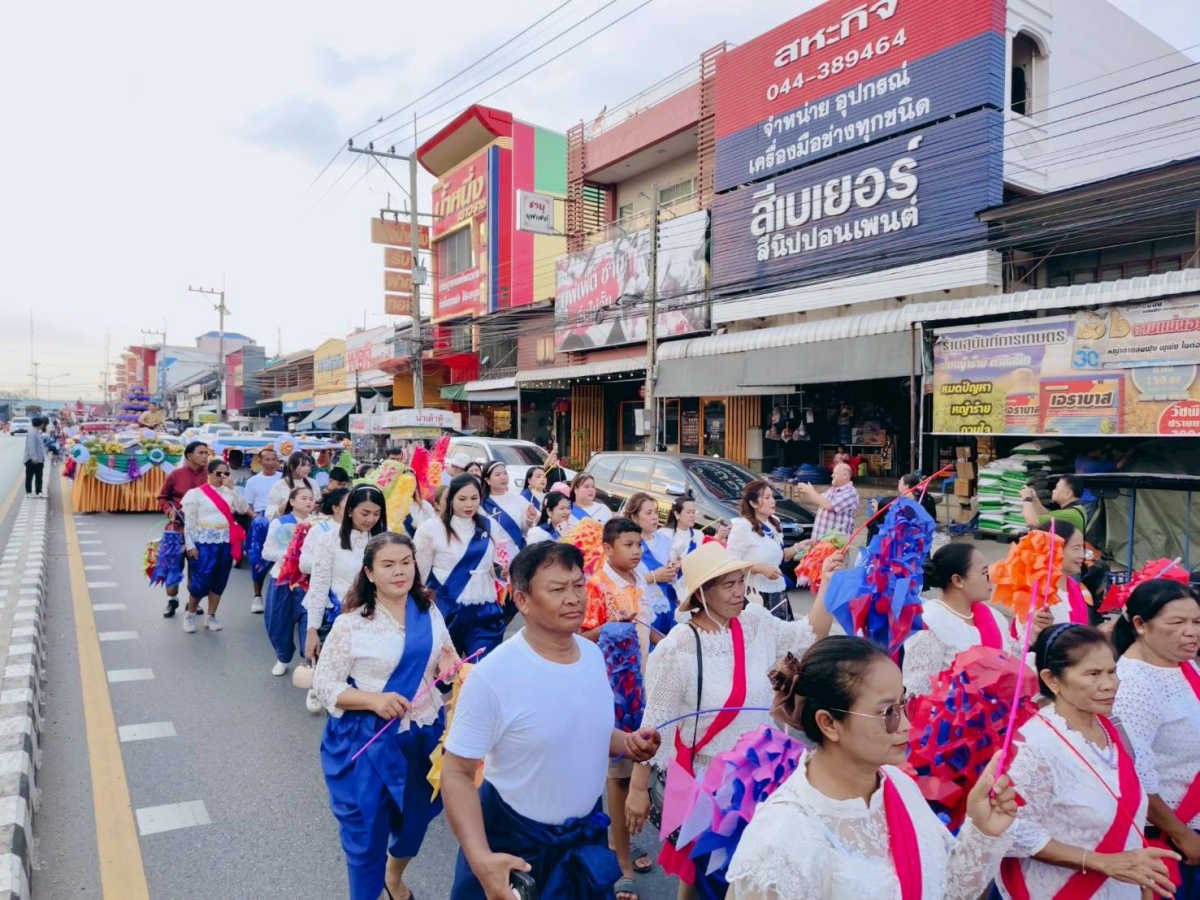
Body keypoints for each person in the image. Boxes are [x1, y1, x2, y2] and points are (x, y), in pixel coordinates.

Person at [440, 541, 662, 900]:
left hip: (583, 839)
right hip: (515, 847)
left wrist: (628, 743)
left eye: (578, 585)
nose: (573, 598)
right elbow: (456, 774)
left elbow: (586, 730)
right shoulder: (493, 676)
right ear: (522, 600)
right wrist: (481, 859)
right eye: (557, 589)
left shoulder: (592, 656)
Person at [726, 637, 1019, 900]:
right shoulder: (784, 837)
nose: (906, 725)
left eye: (903, 705)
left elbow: (943, 887)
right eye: (888, 712)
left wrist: (983, 831)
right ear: (829, 724)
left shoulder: (898, 785)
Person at [629, 541, 842, 897]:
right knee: (706, 876)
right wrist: (637, 791)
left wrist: (828, 584)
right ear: (701, 593)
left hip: (762, 778)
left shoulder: (756, 621)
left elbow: (809, 636)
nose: (739, 591)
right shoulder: (678, 647)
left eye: (741, 581)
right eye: (728, 585)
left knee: (750, 878)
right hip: (709, 785)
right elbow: (656, 726)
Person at [314, 532, 457, 900]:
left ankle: (392, 876)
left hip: (424, 736)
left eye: (406, 562)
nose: (399, 571)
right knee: (366, 836)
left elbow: (446, 660)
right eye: (388, 564)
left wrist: (449, 666)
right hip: (369, 740)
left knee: (416, 822)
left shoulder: (429, 610)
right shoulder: (351, 624)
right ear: (369, 572)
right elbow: (324, 685)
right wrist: (373, 700)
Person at [997, 623, 1178, 899]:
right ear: (1052, 679)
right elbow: (1012, 831)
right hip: (1063, 890)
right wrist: (1100, 861)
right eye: (1093, 674)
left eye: (1111, 671)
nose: (1109, 684)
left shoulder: (1112, 728)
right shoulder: (1033, 746)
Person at [582, 516, 660, 890]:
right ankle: (621, 858)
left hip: (643, 681)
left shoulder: (639, 577)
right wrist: (612, 626)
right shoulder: (597, 585)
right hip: (613, 688)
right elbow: (581, 637)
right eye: (627, 545)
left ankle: (617, 837)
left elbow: (646, 628)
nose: (636, 551)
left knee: (634, 764)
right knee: (619, 770)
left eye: (639, 544)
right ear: (607, 549)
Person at [1112, 579, 1200, 896]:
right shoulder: (1133, 686)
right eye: (1177, 623)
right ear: (1140, 624)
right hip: (1174, 836)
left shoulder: (1183, 666)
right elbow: (1134, 777)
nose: (1191, 632)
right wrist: (1182, 836)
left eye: (1197, 622)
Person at [903, 544, 1013, 696]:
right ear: (958, 580)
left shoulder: (993, 616)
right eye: (984, 573)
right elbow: (918, 690)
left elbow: (1013, 660)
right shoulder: (930, 623)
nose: (991, 579)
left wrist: (1034, 630)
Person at [414, 474, 503, 659]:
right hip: (446, 607)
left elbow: (499, 563)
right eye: (462, 499)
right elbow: (419, 573)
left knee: (481, 665)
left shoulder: (490, 526)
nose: (468, 504)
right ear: (451, 499)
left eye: (474, 498)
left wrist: (502, 570)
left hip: (484, 608)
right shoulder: (431, 528)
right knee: (445, 668)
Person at [302, 485, 386, 662]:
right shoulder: (328, 540)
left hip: (377, 620)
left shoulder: (384, 541)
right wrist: (312, 630)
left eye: (376, 514)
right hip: (337, 616)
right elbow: (319, 586)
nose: (370, 519)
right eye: (365, 513)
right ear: (350, 511)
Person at [180, 459, 250, 633]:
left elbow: (243, 509)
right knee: (200, 580)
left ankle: (211, 615)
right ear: (209, 473)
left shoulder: (229, 492)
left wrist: (233, 489)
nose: (222, 477)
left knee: (220, 579)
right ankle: (190, 614)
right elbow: (189, 522)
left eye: (226, 473)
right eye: (219, 473)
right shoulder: (195, 494)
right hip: (203, 542)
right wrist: (190, 545)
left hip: (224, 541)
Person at [727, 481, 802, 621]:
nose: (773, 501)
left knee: (783, 632)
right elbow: (731, 563)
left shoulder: (774, 521)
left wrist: (799, 547)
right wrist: (760, 569)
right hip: (754, 594)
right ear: (753, 503)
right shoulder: (742, 527)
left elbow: (778, 556)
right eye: (767, 497)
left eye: (772, 496)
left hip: (777, 592)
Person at [262, 485, 316, 676]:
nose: (309, 501)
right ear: (292, 501)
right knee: (278, 620)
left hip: (309, 580)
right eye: (304, 498)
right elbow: (267, 552)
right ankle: (282, 657)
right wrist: (289, 556)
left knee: (309, 621)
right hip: (283, 578)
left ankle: (309, 661)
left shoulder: (318, 524)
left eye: (311, 498)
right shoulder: (280, 523)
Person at [1011, 520, 1091, 648]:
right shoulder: (1034, 592)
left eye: (1082, 548)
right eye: (1076, 548)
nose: (1082, 555)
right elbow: (1022, 646)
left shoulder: (1073, 586)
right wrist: (1038, 631)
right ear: (1054, 550)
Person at [154, 441, 211, 618]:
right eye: (201, 453)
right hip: (177, 530)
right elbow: (162, 497)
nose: (205, 456)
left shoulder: (211, 476)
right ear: (189, 456)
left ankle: (193, 602)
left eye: (206, 453)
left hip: (201, 531)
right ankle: (172, 600)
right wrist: (169, 510)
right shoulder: (176, 475)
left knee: (198, 568)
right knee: (173, 566)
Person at [623, 493, 680, 637]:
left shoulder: (665, 541)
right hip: (641, 607)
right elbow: (622, 580)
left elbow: (671, 576)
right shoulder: (626, 544)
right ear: (634, 517)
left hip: (667, 604)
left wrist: (673, 569)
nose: (654, 517)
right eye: (648, 513)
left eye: (655, 512)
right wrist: (654, 576)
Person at [243, 448, 283, 614]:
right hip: (261, 523)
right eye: (267, 459)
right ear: (260, 461)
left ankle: (280, 599)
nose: (271, 463)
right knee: (258, 559)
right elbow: (247, 505)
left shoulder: (284, 479)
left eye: (274, 459)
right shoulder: (253, 481)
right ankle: (257, 596)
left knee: (284, 559)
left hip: (282, 522)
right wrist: (256, 517)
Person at [480, 461, 538, 562]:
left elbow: (525, 531)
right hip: (493, 560)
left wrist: (529, 520)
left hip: (517, 556)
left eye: (505, 473)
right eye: (498, 474)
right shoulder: (481, 504)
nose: (503, 477)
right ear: (487, 480)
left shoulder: (518, 499)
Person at [866, 473, 939, 541]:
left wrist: (876, 513)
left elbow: (880, 527)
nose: (898, 482)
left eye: (900, 481)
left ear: (906, 486)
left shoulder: (895, 504)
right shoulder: (927, 499)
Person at [798, 463, 860, 541]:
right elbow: (820, 500)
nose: (832, 475)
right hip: (820, 541)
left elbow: (829, 506)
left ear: (845, 476)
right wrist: (807, 491)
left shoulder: (850, 493)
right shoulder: (833, 489)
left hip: (834, 543)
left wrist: (811, 491)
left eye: (835, 473)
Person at [1020, 474, 1088, 533]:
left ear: (1068, 494)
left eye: (1057, 488)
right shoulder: (1078, 508)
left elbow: (1032, 522)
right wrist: (1034, 499)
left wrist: (1027, 498)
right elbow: (1046, 515)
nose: (1053, 491)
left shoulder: (1069, 514)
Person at [267, 451, 322, 521]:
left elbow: (318, 507)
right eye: (303, 465)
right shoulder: (279, 485)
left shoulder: (313, 483)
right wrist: (290, 502)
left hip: (310, 522)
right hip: (286, 523)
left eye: (308, 465)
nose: (307, 469)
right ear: (292, 466)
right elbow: (270, 515)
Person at [23, 416, 46, 497]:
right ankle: (28, 492)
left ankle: (39, 492)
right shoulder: (32, 433)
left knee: (39, 476)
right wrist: (34, 458)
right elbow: (31, 446)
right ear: (41, 424)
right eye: (43, 423)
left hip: (38, 458)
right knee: (30, 476)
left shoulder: (36, 432)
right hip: (32, 459)